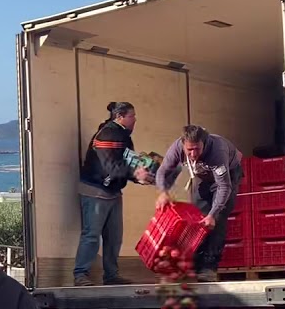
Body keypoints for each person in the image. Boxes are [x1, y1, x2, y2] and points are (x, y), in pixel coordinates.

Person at [74, 102, 152, 287]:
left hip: (113, 192)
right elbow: (111, 166)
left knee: (114, 237)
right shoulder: (108, 134)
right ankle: (80, 274)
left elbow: (127, 161)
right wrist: (135, 174)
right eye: (132, 116)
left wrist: (139, 176)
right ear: (120, 117)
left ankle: (111, 275)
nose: (135, 120)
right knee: (91, 235)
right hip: (96, 191)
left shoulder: (122, 135)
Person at [154, 125, 242, 282]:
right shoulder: (176, 149)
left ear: (205, 142)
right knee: (197, 216)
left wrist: (212, 214)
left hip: (227, 176)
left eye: (197, 149)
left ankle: (209, 267)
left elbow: (223, 186)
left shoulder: (217, 152)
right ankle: (193, 263)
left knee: (217, 219)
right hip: (202, 175)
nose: (193, 154)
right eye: (189, 150)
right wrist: (162, 192)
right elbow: (162, 171)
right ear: (183, 145)